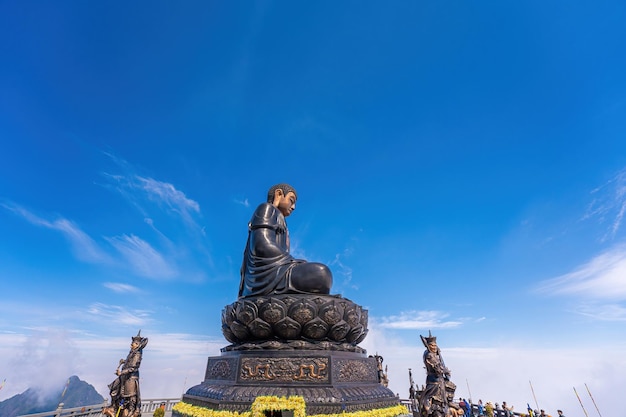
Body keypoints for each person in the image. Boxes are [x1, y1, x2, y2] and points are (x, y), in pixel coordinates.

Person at [239, 183, 333, 298]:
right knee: (321, 272)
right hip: (265, 276)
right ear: (279, 194)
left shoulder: (282, 221)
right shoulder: (266, 208)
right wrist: (293, 262)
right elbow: (262, 246)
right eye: (291, 200)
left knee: (321, 276)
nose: (293, 207)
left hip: (280, 271)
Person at [103, 331, 148, 417]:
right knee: (114, 389)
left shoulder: (137, 354)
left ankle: (131, 411)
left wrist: (121, 372)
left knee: (131, 396)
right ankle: (113, 406)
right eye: (132, 343)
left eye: (133, 344)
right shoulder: (132, 352)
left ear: (138, 344)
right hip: (124, 377)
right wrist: (124, 361)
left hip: (131, 378)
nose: (131, 345)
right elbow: (129, 362)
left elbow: (133, 367)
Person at [418, 332, 453, 417]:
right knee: (433, 398)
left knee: (451, 387)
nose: (434, 347)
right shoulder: (429, 355)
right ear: (429, 346)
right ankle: (428, 408)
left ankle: (447, 403)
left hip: (440, 380)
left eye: (435, 345)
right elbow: (438, 369)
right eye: (432, 346)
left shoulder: (434, 355)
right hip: (434, 381)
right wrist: (445, 371)